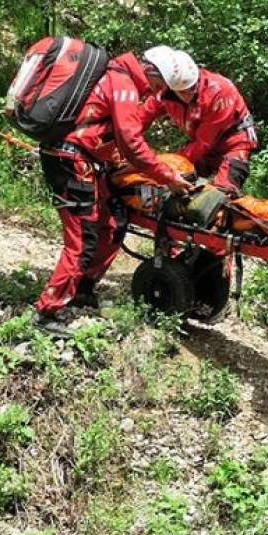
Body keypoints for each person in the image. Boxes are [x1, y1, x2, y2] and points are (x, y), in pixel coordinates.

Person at [33, 46, 194, 333]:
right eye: (157, 86)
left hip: (86, 161)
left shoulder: (118, 78)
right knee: (83, 239)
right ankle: (47, 311)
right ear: (150, 72)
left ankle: (82, 289)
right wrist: (166, 176)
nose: (154, 93)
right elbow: (131, 142)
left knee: (112, 224)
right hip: (72, 162)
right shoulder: (123, 85)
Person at [138, 49, 258, 195]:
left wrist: (169, 165)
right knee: (171, 186)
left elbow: (204, 143)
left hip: (232, 145)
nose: (188, 95)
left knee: (220, 196)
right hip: (202, 146)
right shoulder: (165, 94)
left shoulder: (219, 93)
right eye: (182, 92)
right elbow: (142, 116)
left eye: (191, 89)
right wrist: (123, 138)